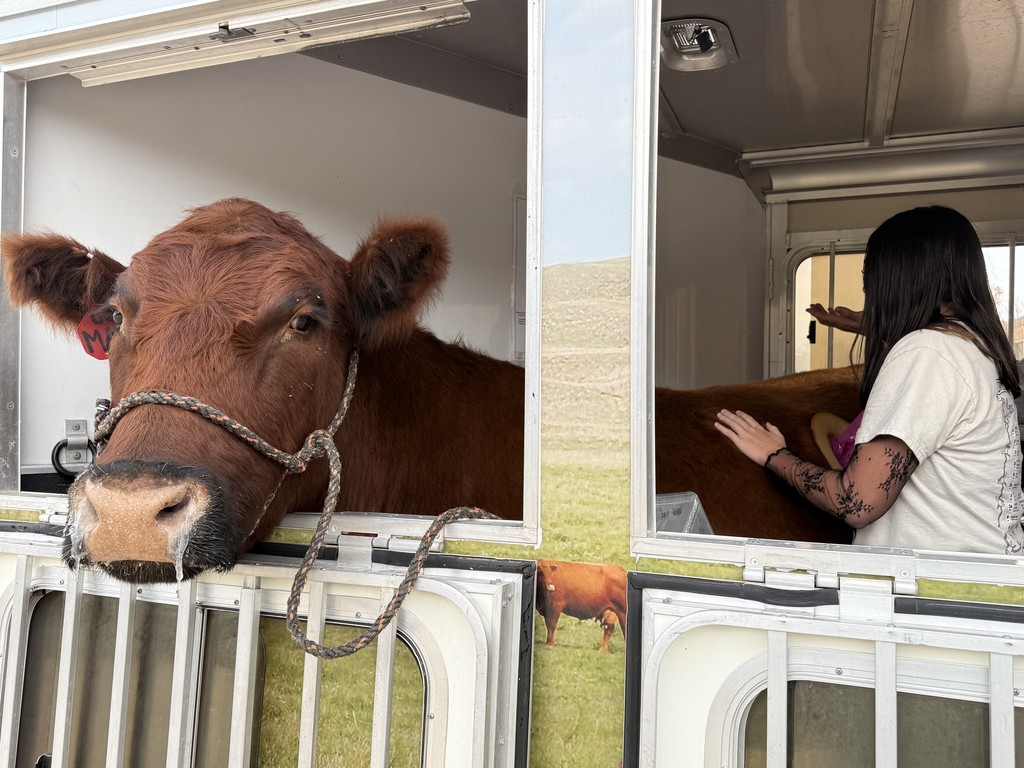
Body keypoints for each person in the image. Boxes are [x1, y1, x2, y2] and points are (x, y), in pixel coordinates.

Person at [715, 205, 1024, 554]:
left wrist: (773, 455)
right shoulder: (971, 342)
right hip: (987, 572)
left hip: (940, 587)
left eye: (872, 276)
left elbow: (855, 501)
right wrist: (874, 324)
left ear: (899, 278)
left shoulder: (928, 352)